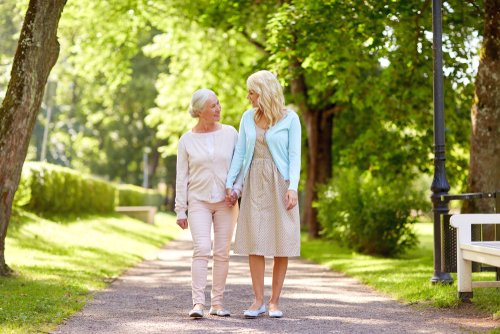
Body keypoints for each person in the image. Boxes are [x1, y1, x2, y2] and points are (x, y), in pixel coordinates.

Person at [225, 70, 301, 319]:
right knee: (255, 242)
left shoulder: (291, 119)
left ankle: (275, 302)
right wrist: (231, 183)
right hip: (255, 182)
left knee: (282, 242)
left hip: (281, 183)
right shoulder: (247, 118)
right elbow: (240, 154)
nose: (248, 97)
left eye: (252, 92)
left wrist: (293, 187)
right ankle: (257, 300)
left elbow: (294, 157)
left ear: (265, 93)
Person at [175, 88, 242, 318]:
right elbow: (182, 176)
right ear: (200, 110)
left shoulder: (231, 133)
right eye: (213, 106)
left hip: (226, 202)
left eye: (218, 103)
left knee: (222, 252)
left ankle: (218, 303)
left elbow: (239, 165)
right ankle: (198, 304)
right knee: (202, 248)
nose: (218, 108)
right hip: (198, 201)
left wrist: (236, 190)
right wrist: (180, 209)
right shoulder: (186, 140)